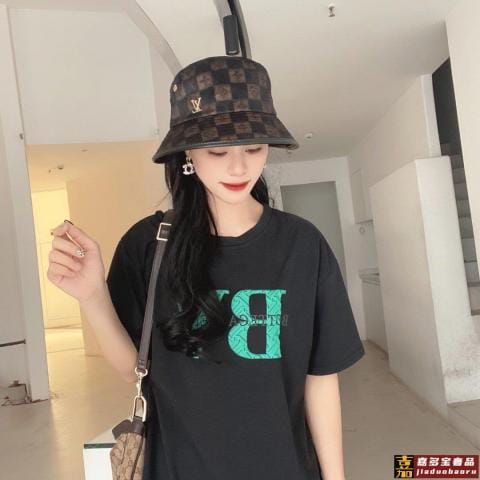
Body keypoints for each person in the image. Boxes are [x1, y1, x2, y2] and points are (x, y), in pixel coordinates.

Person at [47, 55, 365, 480]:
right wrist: (92, 297)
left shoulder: (302, 245)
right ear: (188, 153)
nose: (239, 167)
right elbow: (132, 369)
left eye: (253, 148)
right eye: (218, 151)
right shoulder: (147, 245)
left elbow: (320, 377)